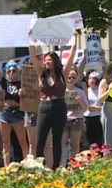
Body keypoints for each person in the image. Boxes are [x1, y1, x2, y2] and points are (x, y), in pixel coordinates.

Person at [28, 31, 77, 169]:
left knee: (57, 140)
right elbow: (32, 55)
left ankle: (56, 167)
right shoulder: (41, 74)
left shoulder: (63, 74)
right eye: (45, 60)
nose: (46, 62)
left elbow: (72, 55)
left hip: (59, 106)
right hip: (44, 106)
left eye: (49, 60)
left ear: (55, 61)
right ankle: (38, 166)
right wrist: (31, 37)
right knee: (40, 140)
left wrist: (75, 38)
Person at [0, 55, 29, 166]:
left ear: (18, 72)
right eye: (9, 71)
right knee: (6, 142)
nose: (11, 73)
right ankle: (6, 166)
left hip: (18, 112)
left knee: (22, 142)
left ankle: (27, 164)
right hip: (5, 112)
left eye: (14, 71)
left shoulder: (23, 84)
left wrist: (23, 93)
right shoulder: (4, 82)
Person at [64, 68, 91, 158]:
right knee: (62, 144)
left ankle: (74, 166)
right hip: (63, 119)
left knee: (75, 145)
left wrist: (80, 102)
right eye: (69, 77)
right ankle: (62, 164)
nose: (71, 79)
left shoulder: (80, 92)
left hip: (76, 119)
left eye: (73, 78)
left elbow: (86, 109)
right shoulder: (61, 91)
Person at [97, 62, 112, 149]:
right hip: (109, 108)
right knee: (109, 137)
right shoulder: (105, 81)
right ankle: (108, 158)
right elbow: (100, 99)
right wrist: (109, 90)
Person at [83, 71, 104, 148]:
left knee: (98, 139)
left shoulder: (101, 90)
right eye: (90, 78)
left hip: (98, 117)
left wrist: (95, 108)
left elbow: (104, 106)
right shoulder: (86, 91)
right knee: (89, 139)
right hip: (87, 117)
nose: (91, 80)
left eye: (94, 79)